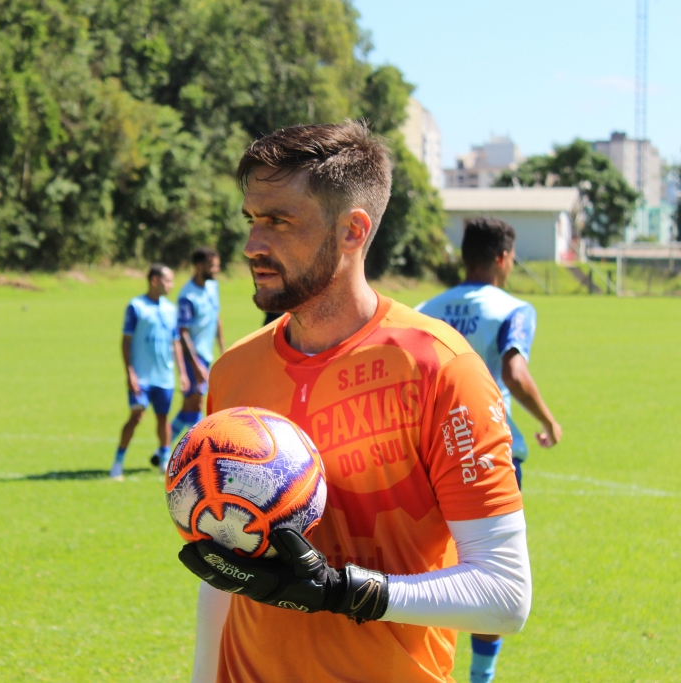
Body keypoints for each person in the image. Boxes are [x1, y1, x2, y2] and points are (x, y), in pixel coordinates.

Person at [177, 122, 531, 683]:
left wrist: (343, 592)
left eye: (278, 221)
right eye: (251, 220)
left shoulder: (440, 367)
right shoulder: (234, 371)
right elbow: (222, 568)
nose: (251, 245)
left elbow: (504, 593)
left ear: (352, 230)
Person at [416, 216, 561, 683]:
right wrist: (548, 419)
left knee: (424, 568)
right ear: (504, 258)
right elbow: (514, 373)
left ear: (464, 256)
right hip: (486, 454)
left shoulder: (424, 308)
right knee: (489, 572)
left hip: (421, 456)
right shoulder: (514, 309)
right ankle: (481, 678)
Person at [110, 264, 189, 480]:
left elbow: (176, 343)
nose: (171, 285)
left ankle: (165, 460)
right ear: (154, 280)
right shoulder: (136, 307)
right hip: (142, 377)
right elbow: (125, 342)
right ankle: (118, 461)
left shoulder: (170, 309)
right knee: (136, 416)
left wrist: (182, 373)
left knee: (163, 419)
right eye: (168, 281)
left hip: (164, 376)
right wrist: (130, 373)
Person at [163, 247, 225, 450]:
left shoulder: (213, 287)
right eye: (212, 265)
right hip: (193, 357)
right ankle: (197, 449)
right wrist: (196, 365)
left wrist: (224, 350)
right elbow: (183, 333)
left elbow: (216, 319)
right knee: (197, 403)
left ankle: (163, 451)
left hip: (206, 356)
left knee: (190, 404)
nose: (216, 269)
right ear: (199, 266)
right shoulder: (187, 296)